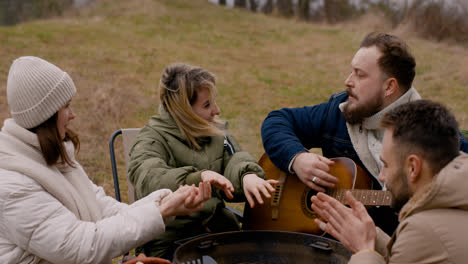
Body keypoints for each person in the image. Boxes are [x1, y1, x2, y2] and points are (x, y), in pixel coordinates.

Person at [0, 56, 211, 264]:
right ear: (44, 115)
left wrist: (165, 203)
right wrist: (160, 211)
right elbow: (80, 247)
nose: (73, 115)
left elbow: (103, 209)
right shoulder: (12, 186)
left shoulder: (51, 156)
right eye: (66, 107)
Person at [261, 32, 468, 235]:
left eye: (360, 75)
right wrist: (297, 158)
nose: (348, 81)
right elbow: (277, 121)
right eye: (352, 71)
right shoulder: (339, 110)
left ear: (389, 87)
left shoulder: (436, 136)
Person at [127, 63, 278, 258]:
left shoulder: (214, 131)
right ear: (184, 111)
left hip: (216, 232)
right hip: (169, 242)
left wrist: (247, 175)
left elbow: (234, 158)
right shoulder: (151, 139)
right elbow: (149, 178)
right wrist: (197, 177)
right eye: (207, 105)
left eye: (214, 102)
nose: (217, 110)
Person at [311, 100, 468, 263]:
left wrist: (363, 249)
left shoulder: (423, 229)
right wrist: (373, 238)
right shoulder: (455, 200)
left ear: (413, 167)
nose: (381, 176)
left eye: (386, 165)